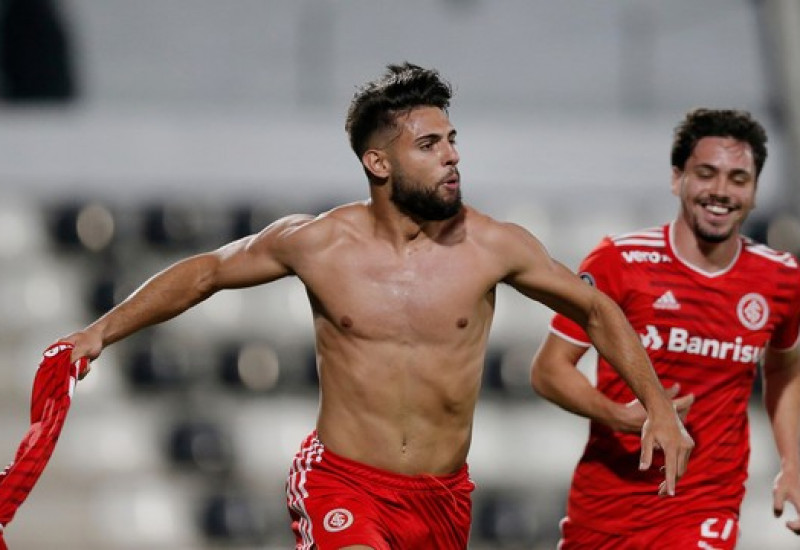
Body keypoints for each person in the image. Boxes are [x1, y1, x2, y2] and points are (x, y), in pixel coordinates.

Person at [62, 62, 693, 550]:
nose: (452, 156)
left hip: (443, 498)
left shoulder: (494, 245)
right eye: (429, 145)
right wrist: (100, 332)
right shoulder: (318, 243)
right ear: (378, 162)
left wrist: (658, 407)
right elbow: (208, 272)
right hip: (344, 482)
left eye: (451, 140)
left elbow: (595, 309)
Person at [531, 108, 800, 549]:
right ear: (677, 179)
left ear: (753, 192)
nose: (721, 191)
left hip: (706, 502)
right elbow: (548, 370)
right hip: (606, 504)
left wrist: (791, 461)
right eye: (706, 173)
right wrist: (620, 415)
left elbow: (784, 369)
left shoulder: (781, 278)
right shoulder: (619, 262)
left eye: (738, 179)